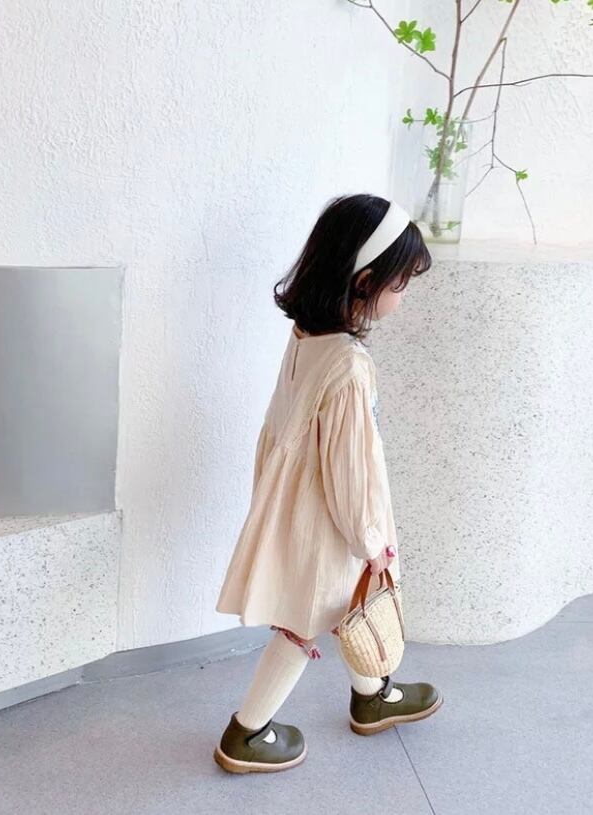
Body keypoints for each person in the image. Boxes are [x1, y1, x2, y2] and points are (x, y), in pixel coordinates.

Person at [212, 193, 443, 774]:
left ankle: (374, 695)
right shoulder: (350, 366)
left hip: (300, 504)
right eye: (401, 283)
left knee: (346, 605)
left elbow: (286, 432)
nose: (403, 295)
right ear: (366, 281)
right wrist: (373, 542)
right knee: (305, 620)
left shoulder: (306, 337)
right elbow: (351, 470)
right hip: (332, 519)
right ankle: (247, 732)